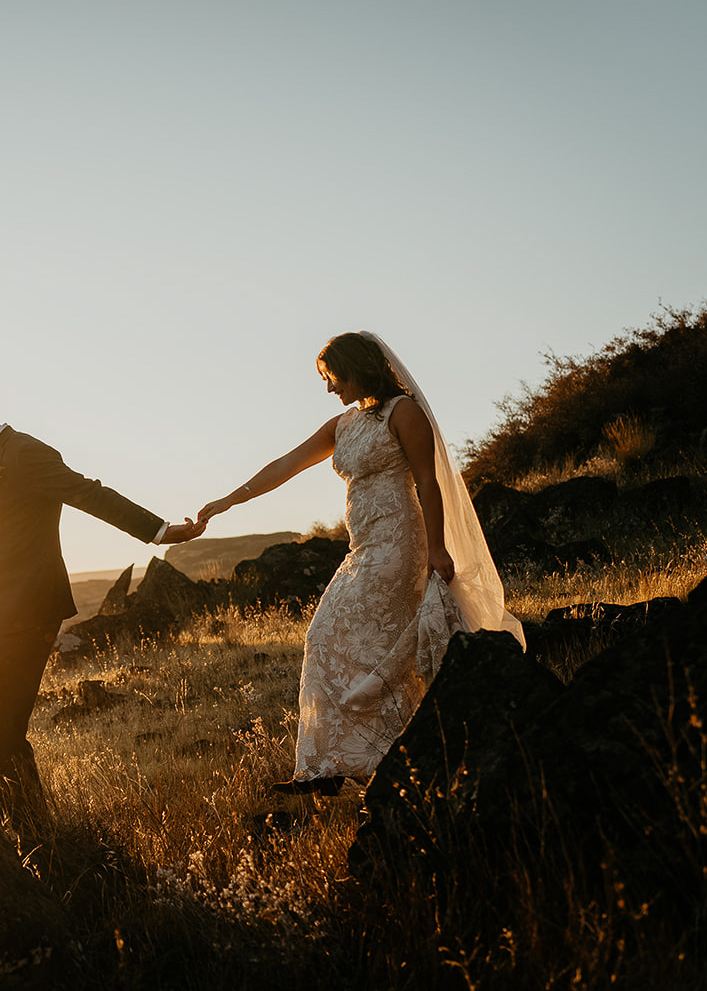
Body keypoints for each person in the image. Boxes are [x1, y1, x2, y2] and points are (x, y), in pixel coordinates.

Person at [198, 332, 523, 795]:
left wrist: (437, 548)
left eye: (333, 377)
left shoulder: (403, 412)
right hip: (362, 547)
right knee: (330, 639)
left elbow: (429, 484)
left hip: (399, 545)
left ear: (359, 367)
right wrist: (227, 502)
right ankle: (333, 764)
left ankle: (380, 759)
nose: (330, 388)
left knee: (358, 643)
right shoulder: (342, 426)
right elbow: (284, 465)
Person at [0, 382, 205, 837]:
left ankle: (37, 840)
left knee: (0, 728)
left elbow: (91, 494)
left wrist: (161, 532)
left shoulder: (25, 452)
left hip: (26, 611)